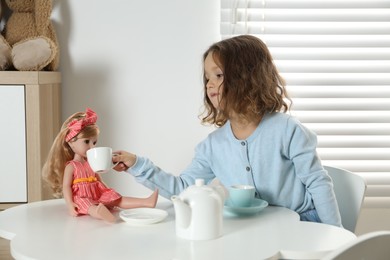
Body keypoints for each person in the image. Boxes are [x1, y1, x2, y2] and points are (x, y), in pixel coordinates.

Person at [113, 35, 342, 227]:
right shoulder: (213, 146)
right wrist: (138, 165)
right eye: (207, 78)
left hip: (302, 224)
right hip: (256, 229)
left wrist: (337, 235)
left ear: (248, 77)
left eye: (219, 75)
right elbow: (183, 189)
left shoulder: (286, 130)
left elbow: (317, 183)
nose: (210, 84)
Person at [42, 108, 158, 223]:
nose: (92, 147)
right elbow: (66, 186)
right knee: (87, 205)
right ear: (71, 142)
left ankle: (146, 202)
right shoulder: (71, 166)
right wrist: (70, 204)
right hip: (81, 196)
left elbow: (98, 179)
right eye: (86, 142)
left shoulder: (91, 163)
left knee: (117, 199)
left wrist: (108, 192)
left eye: (94, 142)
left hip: (97, 192)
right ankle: (101, 213)